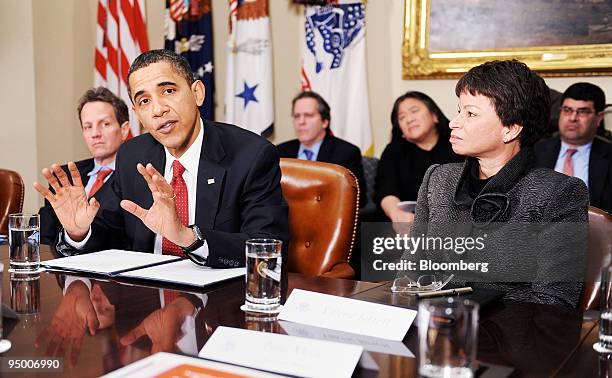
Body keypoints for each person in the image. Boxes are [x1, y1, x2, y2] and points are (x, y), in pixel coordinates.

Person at [34, 49, 288, 268]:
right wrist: (79, 233)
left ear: (197, 93)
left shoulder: (251, 155)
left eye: (168, 90)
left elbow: (269, 248)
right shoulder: (133, 155)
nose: (157, 110)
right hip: (145, 306)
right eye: (144, 101)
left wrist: (188, 237)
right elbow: (108, 230)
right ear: (137, 114)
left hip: (217, 309)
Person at [401, 60, 588, 309]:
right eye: (459, 111)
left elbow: (552, 305)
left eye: (470, 114)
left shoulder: (558, 193)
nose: (453, 123)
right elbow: (409, 273)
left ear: (510, 129)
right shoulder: (438, 179)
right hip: (431, 331)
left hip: (508, 340)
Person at [39, 87, 130, 245]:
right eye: (88, 127)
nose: (95, 133)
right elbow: (44, 237)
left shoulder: (135, 177)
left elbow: (125, 240)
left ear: (124, 130)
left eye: (105, 124)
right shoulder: (64, 176)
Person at [374, 91, 462, 222]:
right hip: (409, 222)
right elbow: (386, 190)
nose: (409, 119)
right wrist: (396, 214)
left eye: (414, 111)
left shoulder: (460, 142)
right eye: (402, 117)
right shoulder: (394, 150)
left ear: (435, 115)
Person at [276, 91, 366, 207]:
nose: (301, 122)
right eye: (297, 116)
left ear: (324, 122)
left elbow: (357, 198)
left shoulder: (346, 152)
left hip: (325, 218)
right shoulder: (280, 152)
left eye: (308, 115)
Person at [535, 82, 612, 214]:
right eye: (567, 110)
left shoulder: (609, 157)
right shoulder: (535, 152)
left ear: (599, 118)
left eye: (582, 112)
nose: (572, 118)